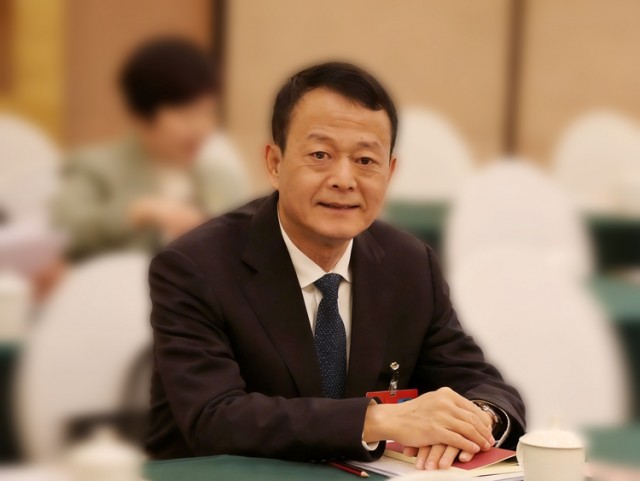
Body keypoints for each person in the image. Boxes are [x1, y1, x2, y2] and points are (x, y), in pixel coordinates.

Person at [147, 62, 525, 469]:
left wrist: (475, 420)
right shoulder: (194, 267)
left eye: (365, 160)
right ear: (274, 163)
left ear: (390, 172)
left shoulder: (410, 264)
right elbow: (214, 417)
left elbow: (480, 382)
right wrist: (378, 420)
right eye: (320, 155)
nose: (344, 179)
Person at [54, 37, 249, 260]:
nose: (202, 128)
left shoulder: (221, 179)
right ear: (142, 116)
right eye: (187, 115)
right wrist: (139, 212)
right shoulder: (96, 169)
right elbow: (64, 230)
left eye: (208, 113)